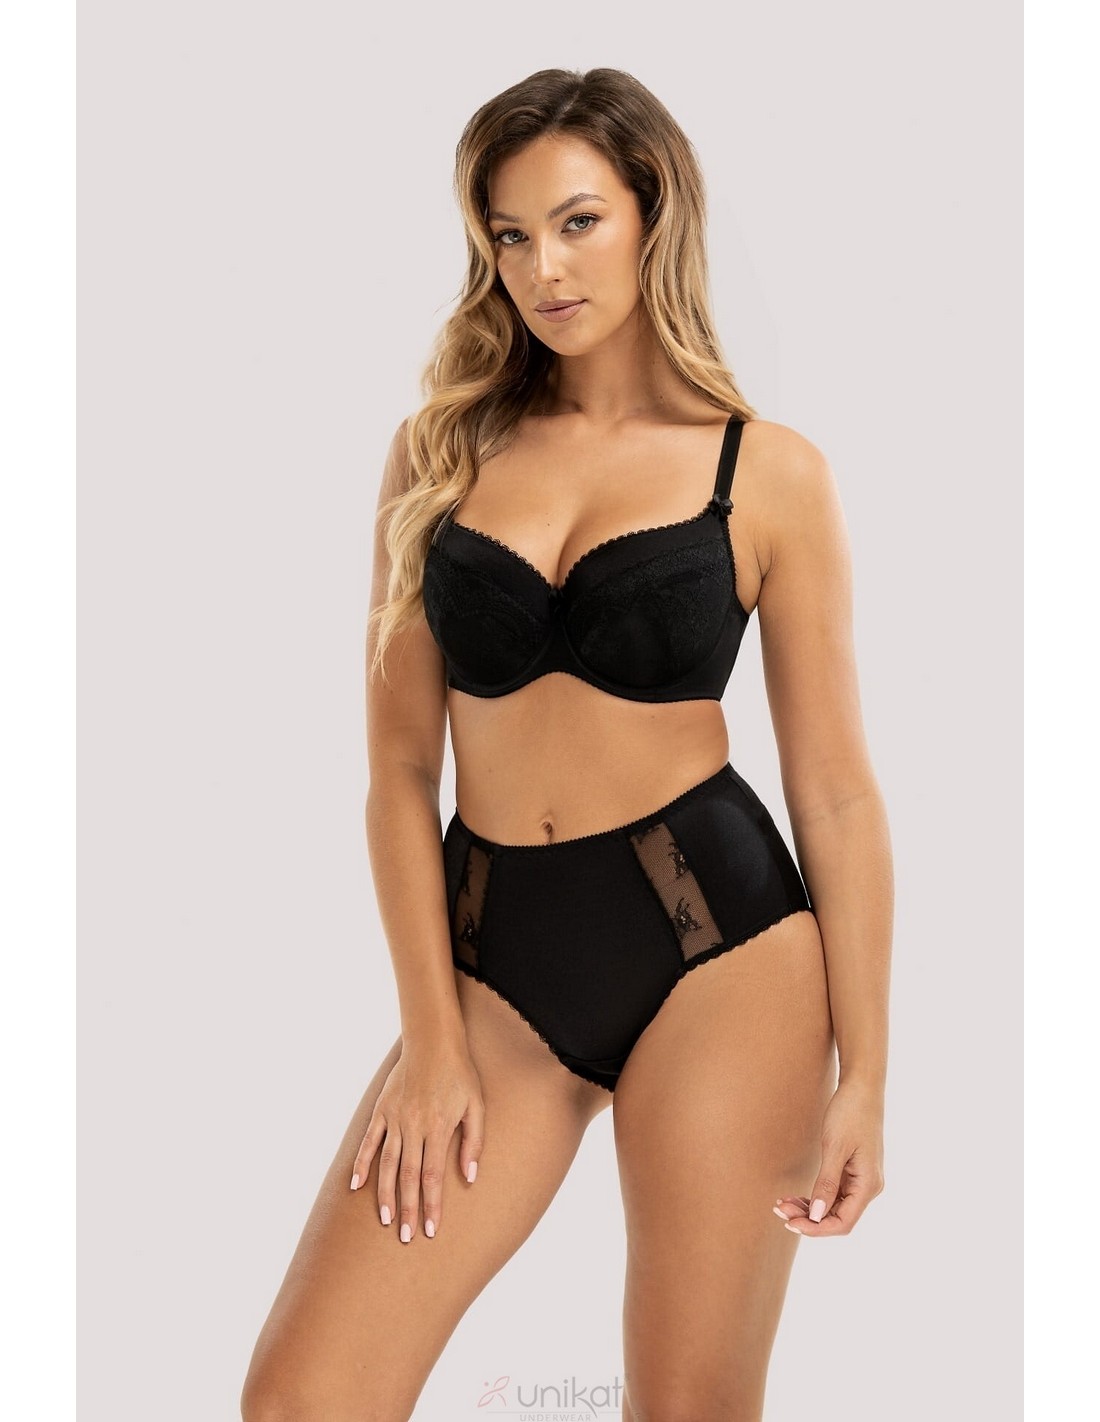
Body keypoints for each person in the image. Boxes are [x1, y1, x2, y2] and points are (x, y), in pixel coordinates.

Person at [241, 66, 893, 1422]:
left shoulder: (767, 473)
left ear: (655, 212)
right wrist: (430, 1039)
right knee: (303, 1399)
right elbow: (399, 771)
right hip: (497, 964)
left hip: (723, 951)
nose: (544, 267)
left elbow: (834, 791)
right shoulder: (440, 455)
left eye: (579, 221)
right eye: (511, 233)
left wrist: (870, 1077)